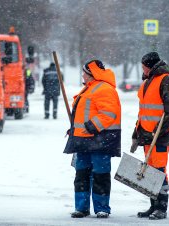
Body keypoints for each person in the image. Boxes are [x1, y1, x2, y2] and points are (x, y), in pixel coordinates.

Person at [63, 60, 121, 218]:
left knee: (100, 175)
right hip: (83, 140)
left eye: (84, 72)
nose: (82, 75)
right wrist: (74, 129)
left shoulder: (104, 89)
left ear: (91, 74)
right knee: (81, 175)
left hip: (100, 140)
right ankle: (81, 208)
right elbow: (84, 113)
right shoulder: (89, 88)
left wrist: (91, 126)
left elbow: (109, 113)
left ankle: (102, 208)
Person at [131, 52, 169, 220]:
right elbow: (143, 112)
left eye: (144, 66)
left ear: (150, 66)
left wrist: (159, 131)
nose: (142, 69)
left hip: (160, 135)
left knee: (159, 170)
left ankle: (161, 207)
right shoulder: (147, 82)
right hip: (146, 134)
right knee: (150, 170)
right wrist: (136, 133)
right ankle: (153, 206)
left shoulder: (166, 80)